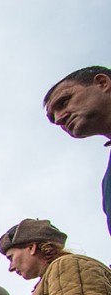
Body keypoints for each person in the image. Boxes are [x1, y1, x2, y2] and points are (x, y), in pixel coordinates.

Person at [42, 66, 111, 235]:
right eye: (53, 119)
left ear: (102, 83)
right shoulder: (107, 184)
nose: (59, 119)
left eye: (64, 102)